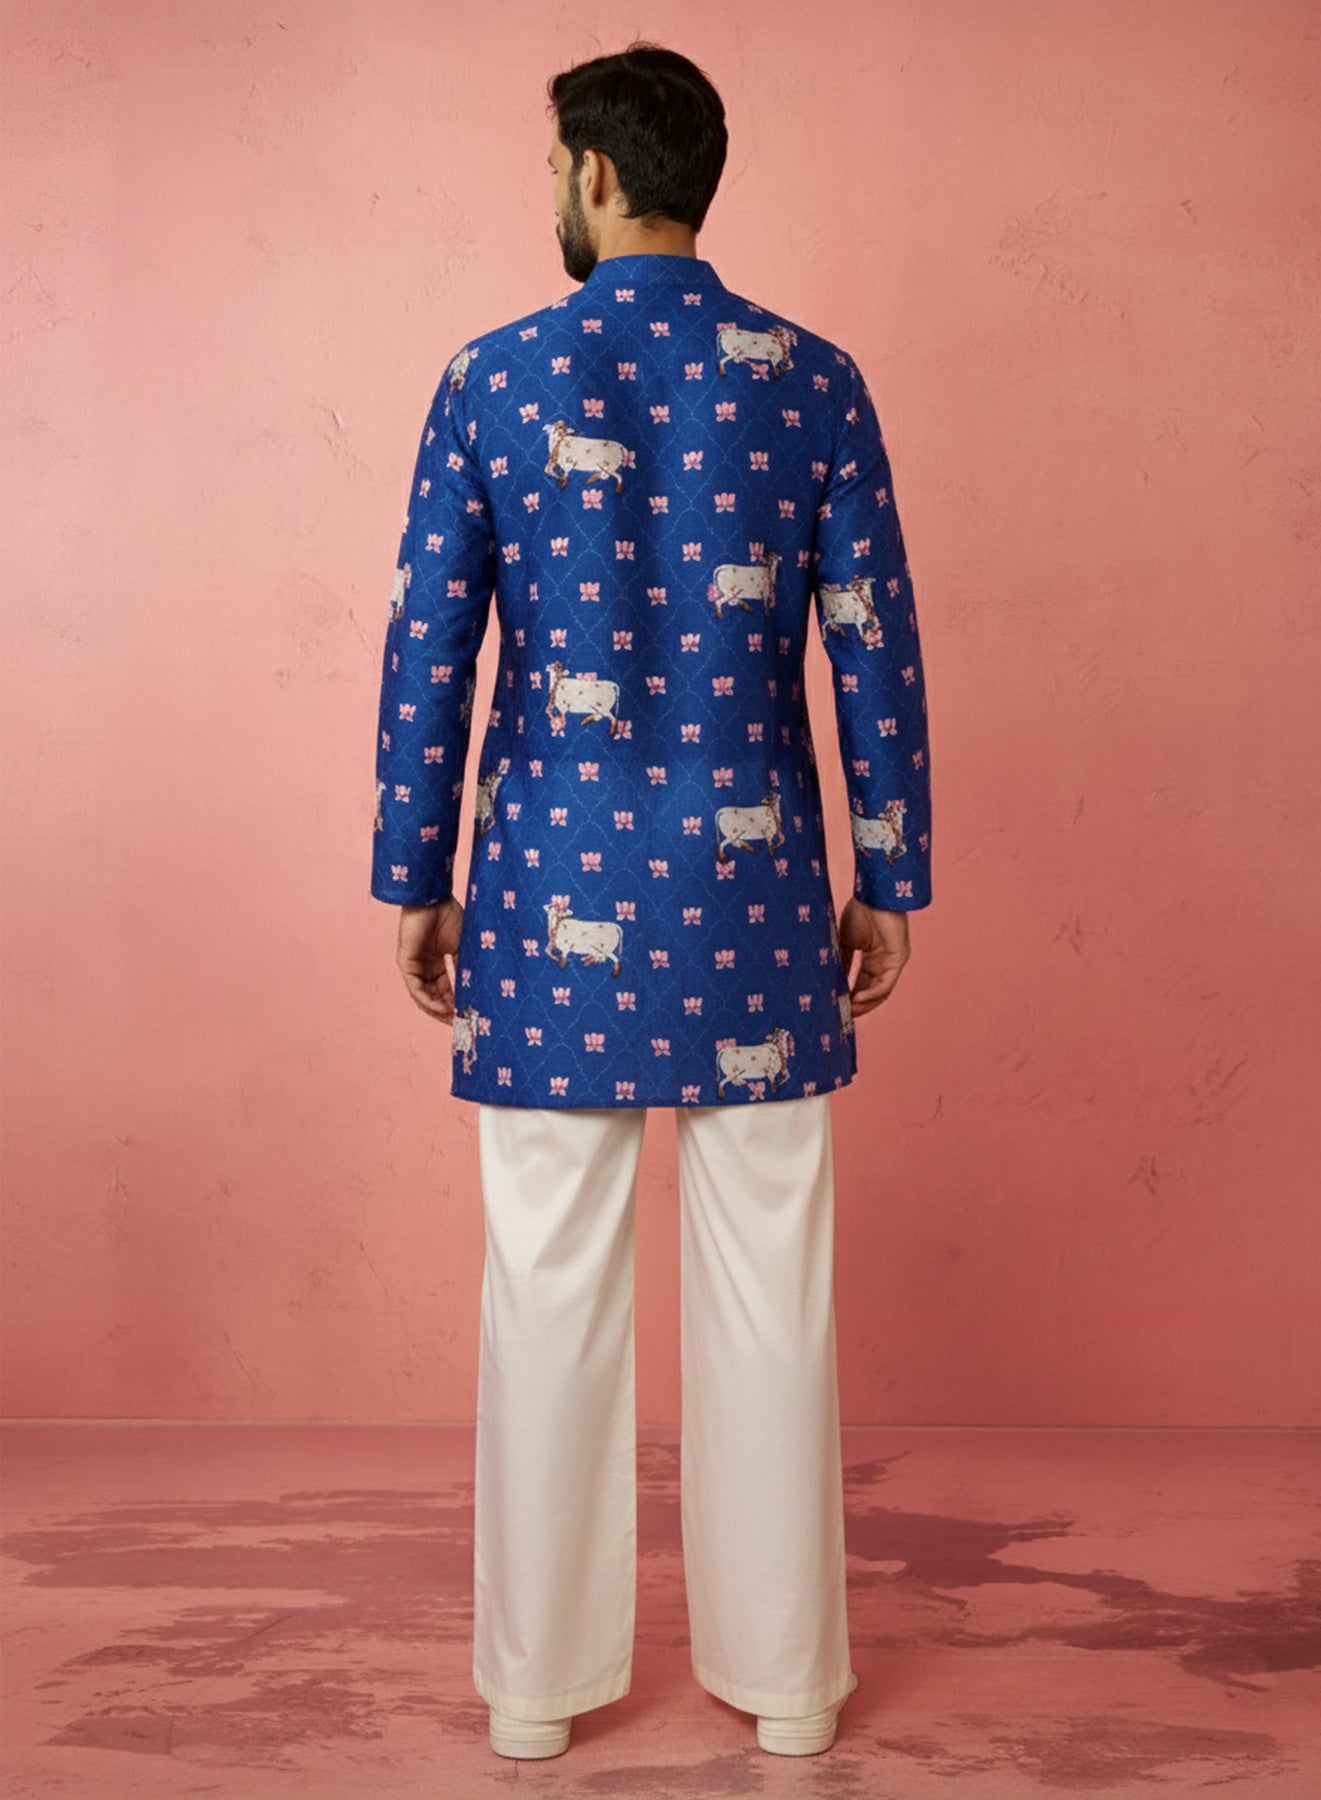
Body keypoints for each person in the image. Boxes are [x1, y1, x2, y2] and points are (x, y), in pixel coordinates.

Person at [369, 40, 932, 1762]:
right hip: (755, 895)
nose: (552, 189)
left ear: (596, 174)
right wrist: (889, 872)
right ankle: (791, 1685)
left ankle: (535, 1693)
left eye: (554, 165)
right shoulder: (813, 380)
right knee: (769, 1284)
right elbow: (870, 641)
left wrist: (415, 876)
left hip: (549, 888)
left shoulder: (489, 377)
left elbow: (428, 646)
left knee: (548, 1280)